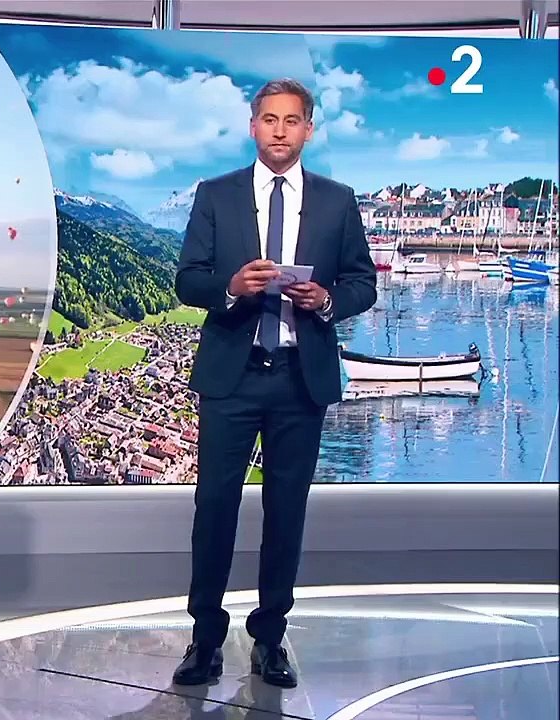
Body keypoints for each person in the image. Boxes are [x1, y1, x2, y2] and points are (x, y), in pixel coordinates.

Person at [171, 78, 377, 688]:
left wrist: (327, 299)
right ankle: (204, 639)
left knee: (286, 513)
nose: (280, 130)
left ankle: (270, 638)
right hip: (232, 378)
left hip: (298, 380)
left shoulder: (338, 202)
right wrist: (231, 286)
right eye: (269, 119)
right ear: (253, 125)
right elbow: (188, 280)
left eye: (292, 120)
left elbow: (363, 281)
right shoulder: (216, 195)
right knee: (215, 510)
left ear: (309, 129)